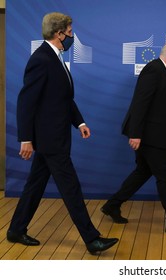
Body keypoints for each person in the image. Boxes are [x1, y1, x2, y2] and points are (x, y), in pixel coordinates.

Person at [6, 12, 118, 254]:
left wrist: (79, 123)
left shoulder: (54, 58)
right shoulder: (42, 59)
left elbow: (63, 99)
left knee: (34, 186)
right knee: (71, 187)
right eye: (69, 32)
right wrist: (25, 138)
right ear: (58, 34)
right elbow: (27, 102)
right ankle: (92, 239)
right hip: (50, 140)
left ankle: (16, 229)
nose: (71, 36)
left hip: (54, 136)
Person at [101, 42, 166, 235]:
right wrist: (135, 134)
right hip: (149, 136)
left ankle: (112, 205)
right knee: (165, 175)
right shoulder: (154, 70)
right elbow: (140, 102)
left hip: (156, 135)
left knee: (143, 171)